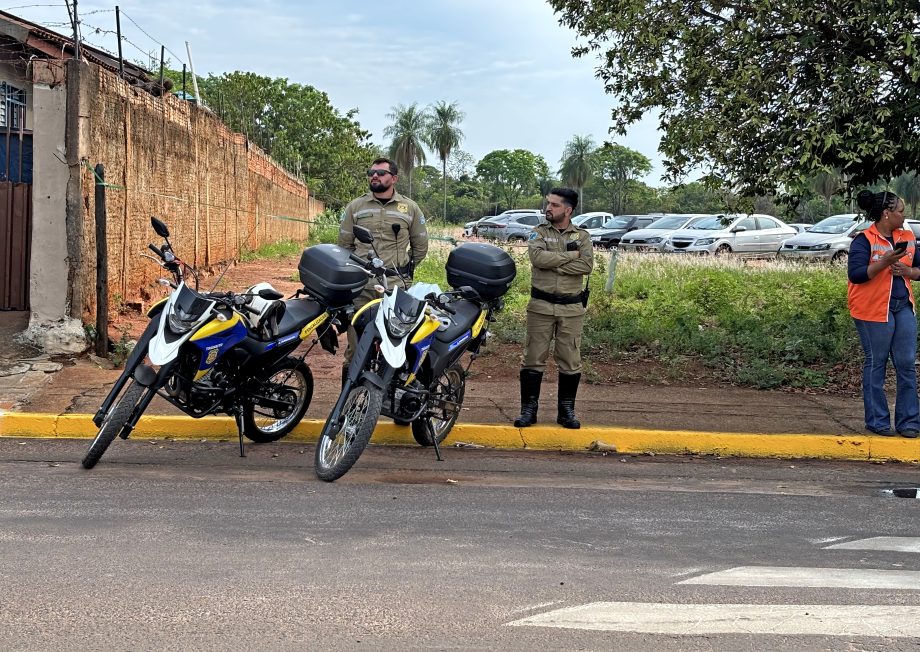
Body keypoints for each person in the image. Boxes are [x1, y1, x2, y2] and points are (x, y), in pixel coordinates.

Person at [338, 158, 429, 377]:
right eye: (371, 172)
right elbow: (344, 246)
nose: (374, 176)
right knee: (356, 349)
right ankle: (348, 402)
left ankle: (385, 397)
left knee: (394, 347)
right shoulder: (356, 207)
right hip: (360, 288)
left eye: (380, 172)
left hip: (395, 288)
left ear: (394, 178)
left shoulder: (410, 208)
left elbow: (420, 246)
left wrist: (401, 270)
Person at [513, 187, 594, 430]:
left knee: (570, 359)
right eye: (548, 203)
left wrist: (555, 263)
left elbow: (587, 265)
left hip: (571, 308)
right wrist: (570, 258)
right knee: (533, 359)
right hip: (541, 305)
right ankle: (528, 410)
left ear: (568, 210)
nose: (548, 208)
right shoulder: (538, 232)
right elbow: (538, 259)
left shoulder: (582, 236)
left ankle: (566, 411)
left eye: (555, 205)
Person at [847, 189, 920, 438]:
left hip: (903, 307)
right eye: (900, 211)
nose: (904, 215)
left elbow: (919, 267)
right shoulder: (863, 240)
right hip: (872, 310)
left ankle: (909, 422)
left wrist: (909, 273)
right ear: (887, 214)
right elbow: (856, 274)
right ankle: (877, 421)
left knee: (907, 364)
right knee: (876, 363)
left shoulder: (907, 236)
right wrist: (885, 262)